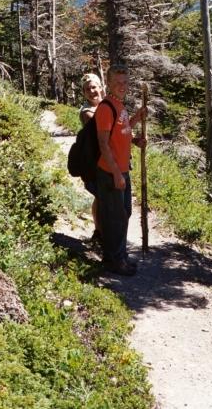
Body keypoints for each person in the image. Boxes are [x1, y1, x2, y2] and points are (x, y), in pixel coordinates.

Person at [95, 64, 145, 276]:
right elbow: (103, 144)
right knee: (116, 217)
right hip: (111, 171)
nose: (122, 86)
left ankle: (118, 256)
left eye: (125, 82)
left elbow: (122, 131)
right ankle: (115, 261)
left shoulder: (119, 105)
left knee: (124, 213)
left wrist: (135, 132)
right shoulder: (106, 108)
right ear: (109, 83)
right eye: (117, 82)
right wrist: (116, 173)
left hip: (122, 169)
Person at [79, 73, 104, 241]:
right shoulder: (87, 112)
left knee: (104, 197)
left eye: (94, 87)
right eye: (87, 89)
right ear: (84, 93)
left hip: (110, 157)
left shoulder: (107, 105)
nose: (91, 91)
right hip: (96, 160)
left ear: (100, 87)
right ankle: (99, 232)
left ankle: (101, 231)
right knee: (101, 196)